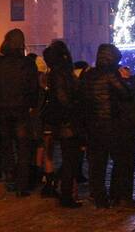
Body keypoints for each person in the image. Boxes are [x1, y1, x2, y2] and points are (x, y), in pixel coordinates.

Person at [82, 43, 135, 209]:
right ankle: (120, 197)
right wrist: (128, 79)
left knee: (97, 165)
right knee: (123, 162)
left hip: (94, 125)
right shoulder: (111, 74)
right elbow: (126, 93)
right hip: (113, 125)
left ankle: (99, 198)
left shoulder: (88, 75)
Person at [0, 29, 40, 195]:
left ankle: (10, 177)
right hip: (21, 108)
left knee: (6, 144)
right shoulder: (27, 63)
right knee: (23, 147)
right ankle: (22, 184)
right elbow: (33, 88)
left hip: (2, 108)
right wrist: (32, 104)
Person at [42, 40, 85, 208]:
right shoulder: (61, 73)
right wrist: (74, 107)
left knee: (71, 159)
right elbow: (63, 98)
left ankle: (62, 189)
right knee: (71, 160)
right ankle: (65, 194)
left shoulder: (56, 72)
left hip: (65, 121)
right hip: (68, 122)